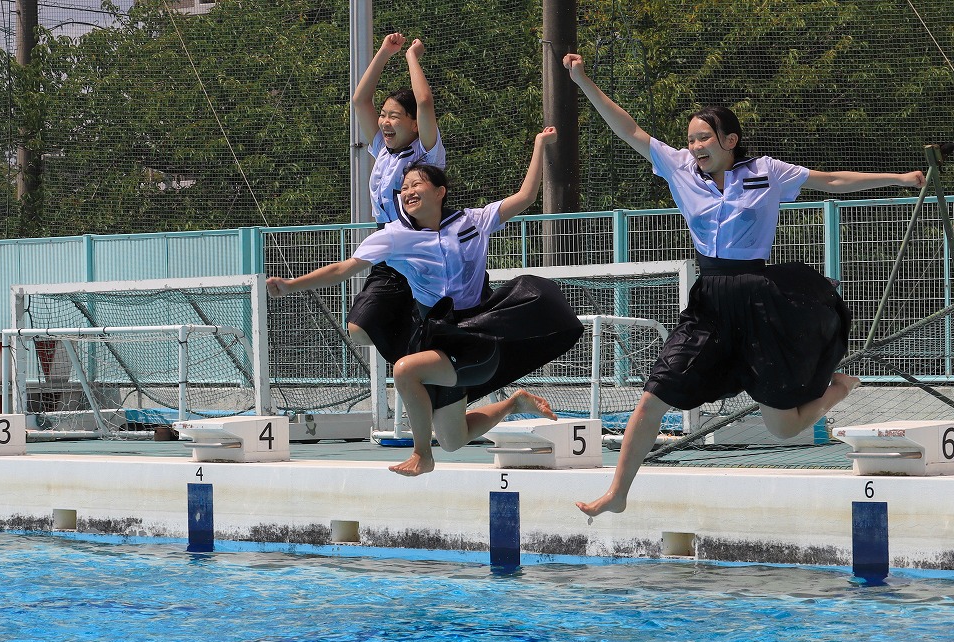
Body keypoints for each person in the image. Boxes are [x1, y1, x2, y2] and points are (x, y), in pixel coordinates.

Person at [563, 53, 927, 516]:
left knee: (782, 428)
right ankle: (617, 494)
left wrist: (895, 179)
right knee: (653, 397)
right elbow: (628, 129)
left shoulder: (766, 173)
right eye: (691, 138)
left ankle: (838, 388)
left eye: (704, 137)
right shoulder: (676, 167)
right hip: (710, 300)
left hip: (759, 298)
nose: (695, 145)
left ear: (729, 140)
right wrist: (582, 79)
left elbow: (831, 180)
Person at [268, 128, 584, 476]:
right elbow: (345, 268)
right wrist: (292, 284)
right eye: (403, 188)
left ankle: (422, 454)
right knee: (453, 438)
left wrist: (539, 145)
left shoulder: (473, 221)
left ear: (439, 191)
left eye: (415, 184)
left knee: (405, 370)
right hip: (439, 339)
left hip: (478, 336)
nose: (407, 192)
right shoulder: (394, 237)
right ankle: (515, 403)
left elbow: (525, 197)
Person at [348, 32, 446, 363]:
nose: (385, 122)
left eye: (394, 116)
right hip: (389, 245)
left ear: (415, 126)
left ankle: (429, 352)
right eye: (384, 115)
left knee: (440, 322)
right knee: (360, 329)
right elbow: (360, 100)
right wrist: (384, 53)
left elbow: (425, 103)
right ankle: (415, 347)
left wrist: (411, 58)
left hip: (421, 246)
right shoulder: (382, 150)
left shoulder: (426, 154)